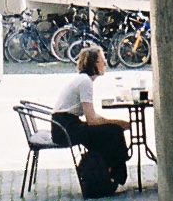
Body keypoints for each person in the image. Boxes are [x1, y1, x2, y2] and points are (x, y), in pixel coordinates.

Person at [51, 44, 129, 186]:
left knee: (110, 131)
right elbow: (92, 120)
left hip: (65, 124)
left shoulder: (83, 79)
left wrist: (112, 122)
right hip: (65, 128)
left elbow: (92, 117)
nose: (105, 63)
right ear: (93, 64)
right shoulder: (85, 82)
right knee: (113, 132)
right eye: (102, 60)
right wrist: (118, 123)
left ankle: (110, 172)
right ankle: (112, 174)